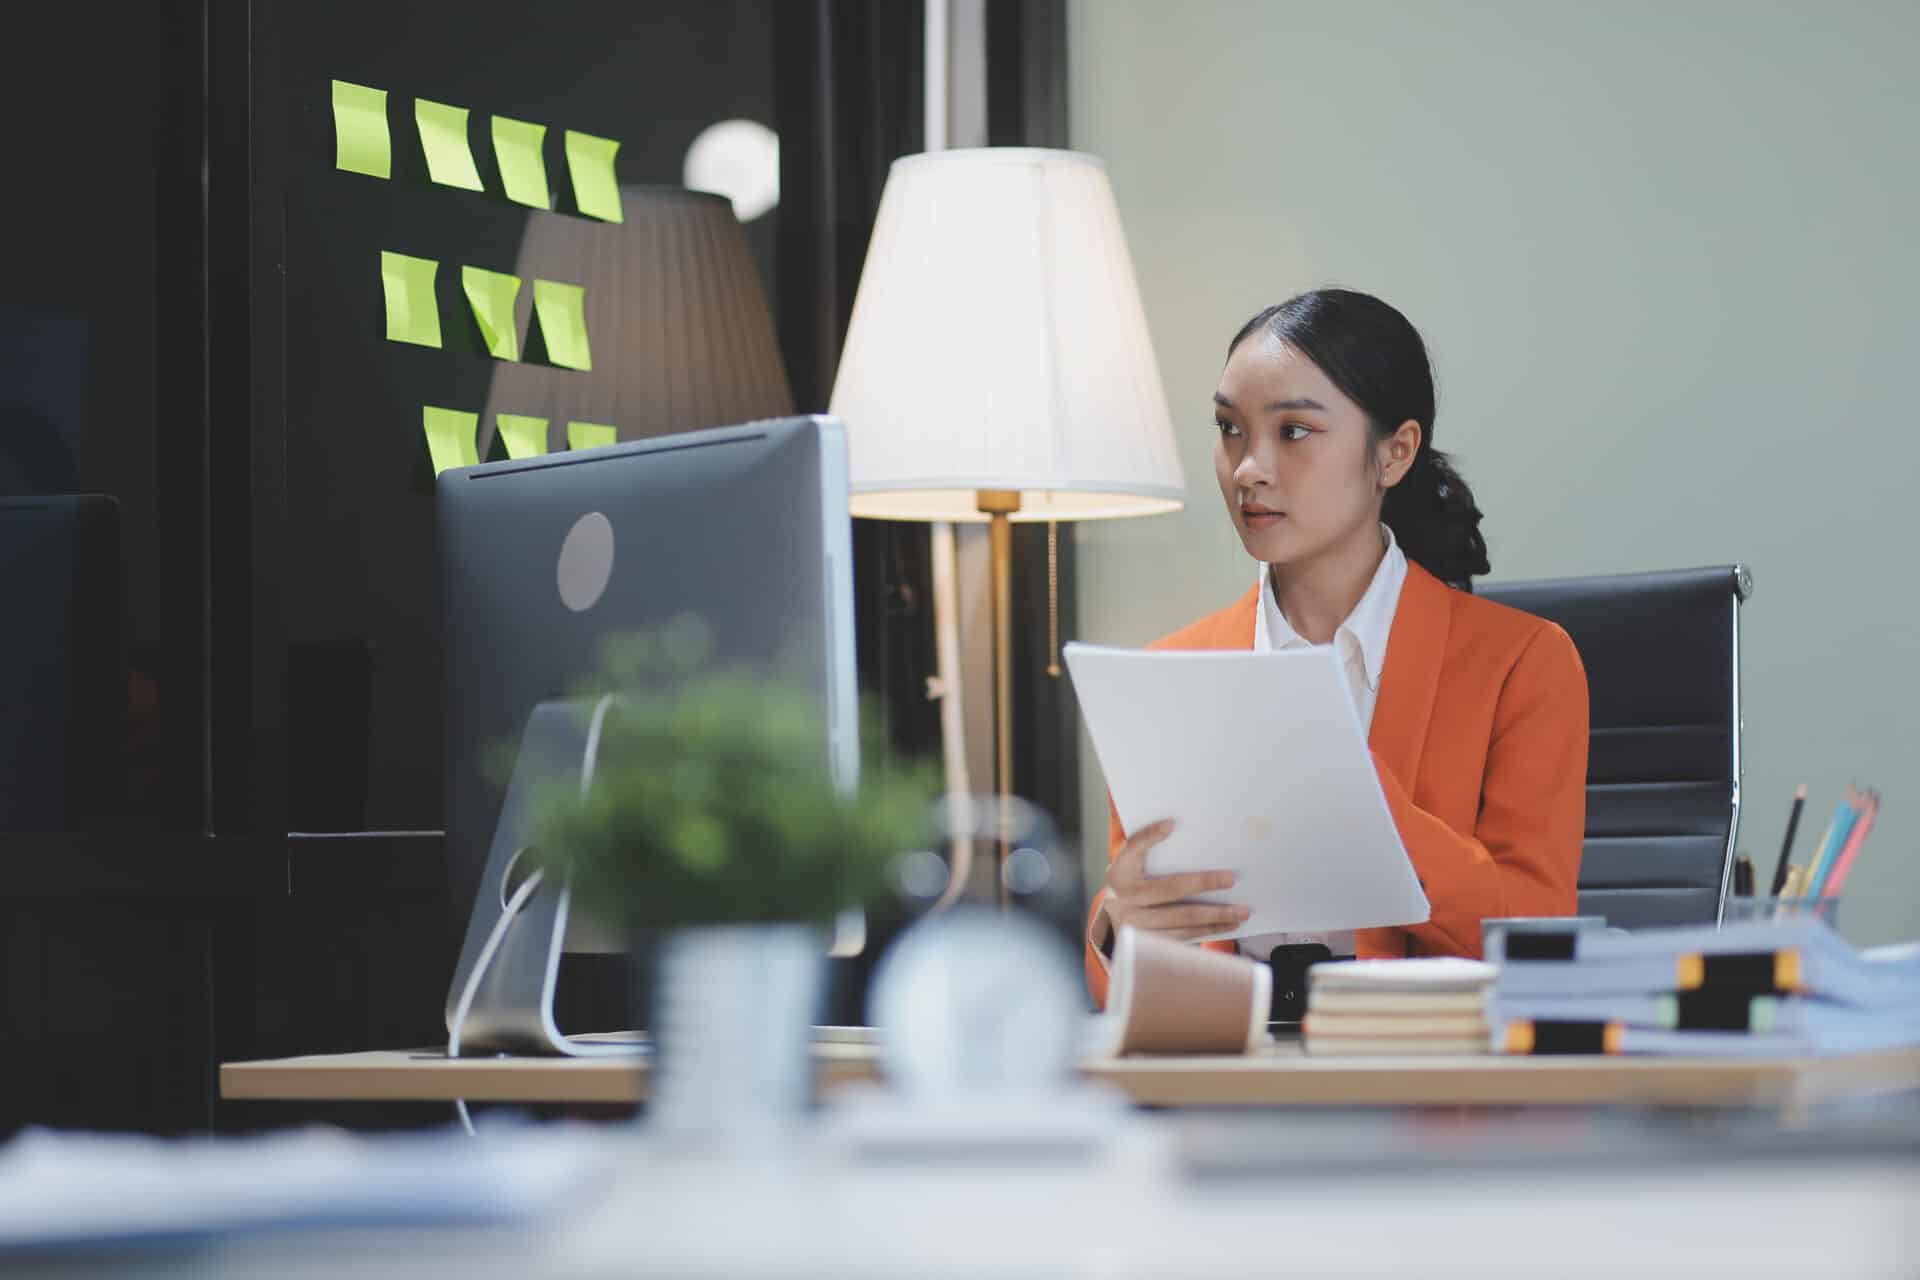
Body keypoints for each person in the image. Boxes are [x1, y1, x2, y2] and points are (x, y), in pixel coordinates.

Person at [1084, 289, 1588, 1008]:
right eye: (1230, 429)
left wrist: (1355, 796)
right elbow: (1118, 991)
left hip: (1423, 1083)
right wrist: (1120, 925)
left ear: (1394, 453)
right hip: (1227, 1084)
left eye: (1293, 432)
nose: (1247, 469)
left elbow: (1537, 937)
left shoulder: (1523, 662)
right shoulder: (1171, 673)